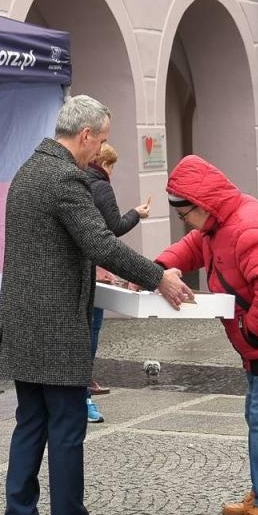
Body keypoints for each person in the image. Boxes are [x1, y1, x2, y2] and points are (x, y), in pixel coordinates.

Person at [0, 94, 195, 515]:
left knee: (31, 422)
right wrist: (157, 277)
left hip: (24, 320)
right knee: (66, 425)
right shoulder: (64, 177)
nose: (99, 150)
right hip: (54, 325)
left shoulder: (30, 169)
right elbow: (102, 244)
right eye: (99, 140)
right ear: (84, 135)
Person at [154, 155, 258, 515]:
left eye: (184, 214)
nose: (184, 222)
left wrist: (254, 334)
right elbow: (192, 247)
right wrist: (159, 268)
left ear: (202, 204)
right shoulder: (218, 224)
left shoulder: (248, 227)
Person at [83, 141, 151, 420]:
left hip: (82, 267)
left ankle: (82, 385)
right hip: (92, 270)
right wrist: (137, 213)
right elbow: (113, 230)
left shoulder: (75, 179)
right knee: (92, 328)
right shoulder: (101, 185)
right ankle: (83, 388)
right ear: (106, 164)